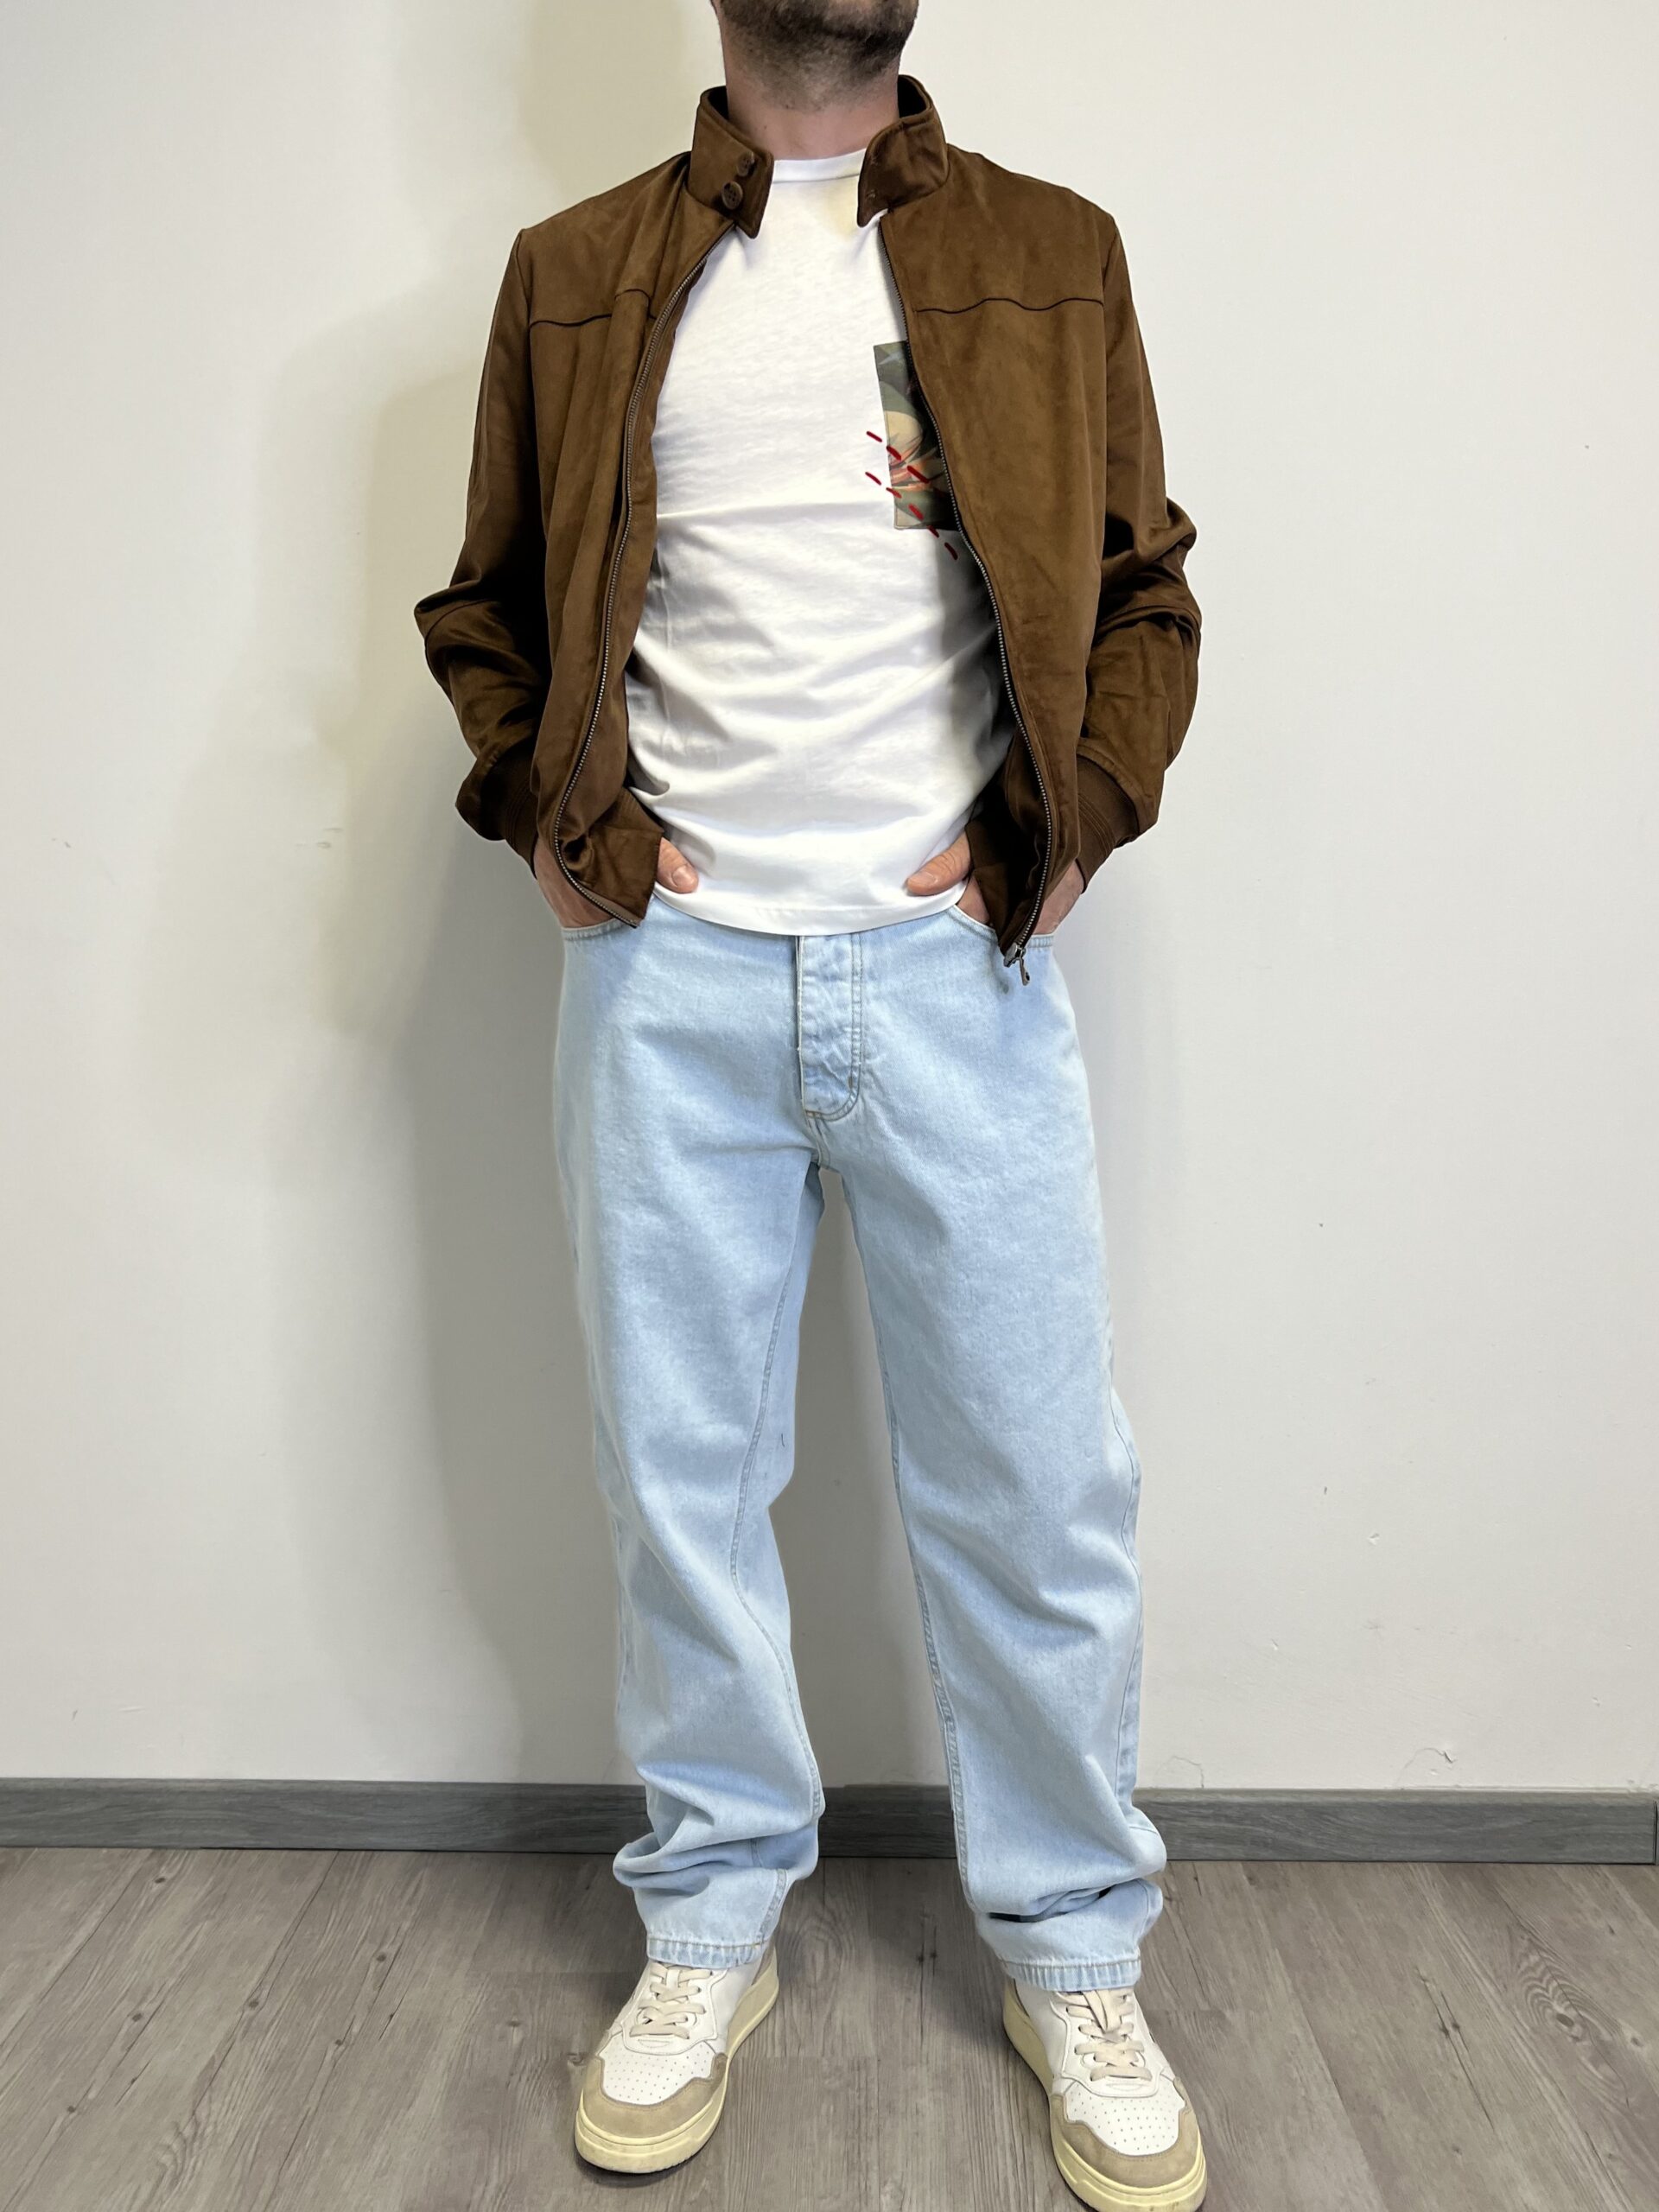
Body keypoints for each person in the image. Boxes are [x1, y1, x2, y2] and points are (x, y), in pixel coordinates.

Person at [413, 3, 1204, 2203]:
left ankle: (1076, 1949)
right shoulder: (578, 270)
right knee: (683, 1486)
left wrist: (1070, 823)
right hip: (668, 979)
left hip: (961, 968)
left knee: (1038, 1491)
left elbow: (1145, 590)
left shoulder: (1052, 252)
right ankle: (709, 1918)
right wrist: (550, 810)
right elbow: (487, 606)